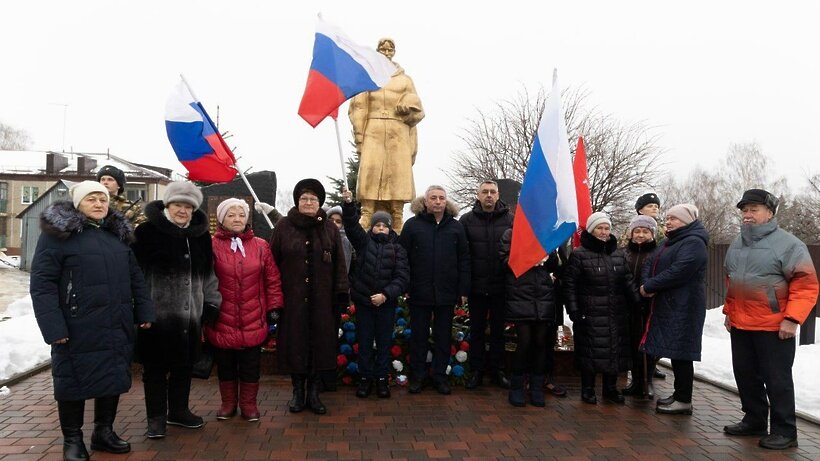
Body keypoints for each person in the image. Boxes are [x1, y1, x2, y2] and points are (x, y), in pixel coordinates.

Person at [30, 180, 155, 460]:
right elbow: (43, 284)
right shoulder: (58, 235)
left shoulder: (117, 235)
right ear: (77, 203)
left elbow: (135, 277)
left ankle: (104, 432)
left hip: (116, 321)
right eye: (92, 199)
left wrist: (144, 311)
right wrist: (53, 327)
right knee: (71, 381)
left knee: (112, 377)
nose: (99, 204)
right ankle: (72, 440)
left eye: (103, 199)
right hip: (76, 325)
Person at [722, 189, 818, 450]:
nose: (747, 215)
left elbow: (806, 285)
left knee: (777, 380)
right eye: (744, 210)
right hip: (741, 324)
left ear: (770, 213)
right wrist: (729, 312)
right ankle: (754, 420)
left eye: (753, 209)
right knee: (746, 375)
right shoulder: (737, 243)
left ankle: (785, 431)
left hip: (775, 326)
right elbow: (733, 282)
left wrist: (792, 319)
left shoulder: (789, 244)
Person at [132, 181, 221, 438]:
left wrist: (212, 303)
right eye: (177, 205)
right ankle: (156, 418)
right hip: (155, 317)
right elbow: (134, 275)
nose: (183, 211)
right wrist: (139, 309)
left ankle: (179, 411)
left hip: (189, 316)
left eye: (188, 206)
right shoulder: (146, 232)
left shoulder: (200, 236)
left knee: (184, 366)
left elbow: (209, 274)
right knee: (155, 369)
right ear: (167, 206)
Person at [269, 178, 349, 415]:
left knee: (320, 345)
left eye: (313, 199)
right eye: (304, 198)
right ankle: (297, 392)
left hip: (323, 301)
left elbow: (339, 265)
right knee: (296, 345)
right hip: (292, 300)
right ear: (297, 201)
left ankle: (314, 392)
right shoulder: (283, 227)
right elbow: (272, 264)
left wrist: (341, 294)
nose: (308, 202)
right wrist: (274, 298)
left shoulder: (330, 228)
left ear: (320, 202)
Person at [205, 198, 283, 422]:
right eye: (231, 215)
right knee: (226, 366)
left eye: (241, 214)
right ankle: (228, 404)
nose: (237, 219)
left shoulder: (261, 246)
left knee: (250, 366)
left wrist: (274, 307)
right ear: (221, 219)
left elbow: (272, 280)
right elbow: (204, 279)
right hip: (222, 318)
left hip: (253, 318)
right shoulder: (210, 245)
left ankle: (249, 405)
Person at [398, 185, 470, 395]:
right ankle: (418, 376)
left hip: (447, 293)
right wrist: (406, 285)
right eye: (433, 198)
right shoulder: (412, 226)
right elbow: (402, 258)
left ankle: (440, 376)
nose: (438, 201)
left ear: (446, 202)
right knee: (419, 336)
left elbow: (464, 259)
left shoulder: (456, 227)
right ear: (426, 201)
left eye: (441, 198)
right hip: (419, 292)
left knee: (443, 337)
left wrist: (463, 289)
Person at [349, 38, 424, 233]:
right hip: (373, 129)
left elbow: (419, 112)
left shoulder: (405, 80)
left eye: (390, 49)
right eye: (382, 48)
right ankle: (366, 216)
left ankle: (397, 219)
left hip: (398, 131)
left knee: (397, 175)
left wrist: (407, 109)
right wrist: (359, 136)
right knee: (370, 173)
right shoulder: (366, 77)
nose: (386, 51)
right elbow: (358, 107)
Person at [640, 204, 709, 416]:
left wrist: (650, 286)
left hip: (685, 306)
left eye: (674, 219)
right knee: (675, 351)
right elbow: (649, 262)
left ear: (687, 221)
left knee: (682, 353)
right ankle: (679, 395)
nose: (668, 222)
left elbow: (679, 271)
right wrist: (646, 284)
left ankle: (684, 400)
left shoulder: (694, 243)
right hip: (668, 304)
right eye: (667, 218)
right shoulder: (670, 242)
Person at [562, 212, 638, 405]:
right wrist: (574, 310)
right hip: (590, 313)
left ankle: (610, 388)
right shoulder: (579, 255)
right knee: (590, 352)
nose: (603, 232)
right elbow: (570, 284)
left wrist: (638, 300)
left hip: (616, 312)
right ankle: (587, 389)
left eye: (606, 228)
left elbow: (627, 280)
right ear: (591, 230)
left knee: (613, 350)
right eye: (599, 228)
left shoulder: (618, 254)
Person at [341, 190, 410, 399]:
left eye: (384, 226)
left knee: (383, 343)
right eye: (377, 225)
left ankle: (381, 379)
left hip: (385, 304)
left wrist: (385, 295)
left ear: (389, 228)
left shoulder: (398, 249)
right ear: (372, 227)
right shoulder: (364, 243)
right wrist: (349, 205)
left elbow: (402, 277)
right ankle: (364, 379)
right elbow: (352, 227)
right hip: (364, 302)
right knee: (364, 342)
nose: (381, 228)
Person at [499, 227, 562, 407]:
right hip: (521, 293)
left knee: (540, 342)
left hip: (542, 294)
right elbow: (504, 261)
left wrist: (547, 257)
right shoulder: (511, 233)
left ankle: (536, 387)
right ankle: (517, 387)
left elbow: (554, 265)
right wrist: (528, 258)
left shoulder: (545, 232)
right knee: (524, 341)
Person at [459, 180, 513, 389]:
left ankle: (498, 371)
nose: (488, 195)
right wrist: (464, 287)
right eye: (485, 192)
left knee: (499, 332)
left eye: (492, 192)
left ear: (498, 195)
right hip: (477, 287)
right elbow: (462, 257)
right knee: (477, 330)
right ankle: (477, 371)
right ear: (478, 195)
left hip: (502, 286)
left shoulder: (511, 220)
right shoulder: (466, 220)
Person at [621, 215, 660, 399]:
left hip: (650, 305)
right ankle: (635, 381)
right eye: (637, 231)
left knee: (647, 344)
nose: (640, 235)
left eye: (645, 231)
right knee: (631, 343)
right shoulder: (623, 253)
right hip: (627, 304)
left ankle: (647, 380)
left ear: (652, 234)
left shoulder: (658, 253)